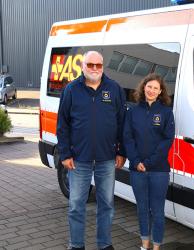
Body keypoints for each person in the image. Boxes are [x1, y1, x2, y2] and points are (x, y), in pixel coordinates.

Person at [57, 51, 126, 250]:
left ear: (103, 66)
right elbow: (63, 124)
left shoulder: (114, 89)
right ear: (83, 66)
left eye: (98, 65)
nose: (94, 68)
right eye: (90, 64)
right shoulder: (71, 89)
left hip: (107, 159)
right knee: (76, 206)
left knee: (107, 205)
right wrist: (65, 154)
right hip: (79, 159)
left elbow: (122, 123)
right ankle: (76, 245)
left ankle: (104, 244)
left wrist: (122, 152)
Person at [123, 73, 175, 250]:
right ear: (143, 87)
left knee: (158, 211)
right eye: (149, 86)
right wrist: (136, 161)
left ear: (161, 91)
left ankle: (157, 246)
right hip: (137, 170)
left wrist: (149, 162)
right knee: (142, 209)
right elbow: (127, 138)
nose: (151, 90)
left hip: (159, 170)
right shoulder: (133, 111)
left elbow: (167, 140)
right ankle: (144, 244)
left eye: (156, 88)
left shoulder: (167, 113)